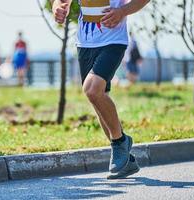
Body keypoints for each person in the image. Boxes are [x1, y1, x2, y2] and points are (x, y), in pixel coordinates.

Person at [51, 0, 150, 179]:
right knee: (97, 98)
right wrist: (57, 7)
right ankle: (126, 161)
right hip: (85, 43)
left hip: (113, 40)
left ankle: (120, 142)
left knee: (92, 89)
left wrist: (122, 11)